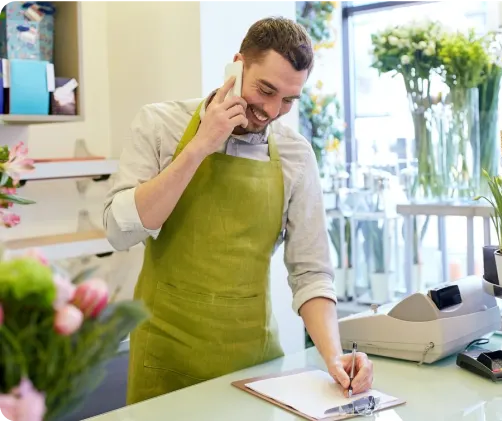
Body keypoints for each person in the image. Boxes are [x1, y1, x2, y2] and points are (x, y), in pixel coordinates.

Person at [103, 17, 374, 404]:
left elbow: (311, 272)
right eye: (265, 90)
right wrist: (199, 147)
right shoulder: (160, 124)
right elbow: (119, 231)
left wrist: (335, 357)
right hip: (164, 363)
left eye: (288, 100)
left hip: (255, 369)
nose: (271, 110)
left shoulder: (296, 155)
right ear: (237, 65)